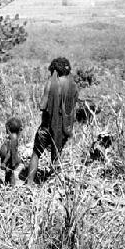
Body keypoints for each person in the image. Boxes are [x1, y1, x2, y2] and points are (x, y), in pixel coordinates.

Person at [26, 57, 78, 185]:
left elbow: (42, 106)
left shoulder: (51, 83)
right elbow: (72, 107)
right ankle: (53, 183)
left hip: (47, 126)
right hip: (63, 128)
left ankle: (29, 182)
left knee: (36, 153)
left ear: (54, 69)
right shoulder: (73, 85)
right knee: (57, 154)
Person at [0, 117, 23, 186]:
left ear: (8, 128)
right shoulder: (13, 138)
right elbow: (10, 151)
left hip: (9, 159)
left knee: (10, 173)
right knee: (9, 173)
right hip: (9, 159)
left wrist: (4, 162)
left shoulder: (13, 138)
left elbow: (10, 152)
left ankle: (10, 186)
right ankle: (9, 186)